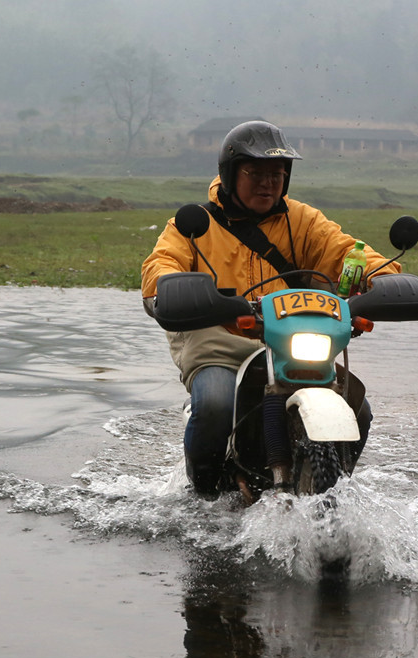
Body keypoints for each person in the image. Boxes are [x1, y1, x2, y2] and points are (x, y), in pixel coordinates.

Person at [140, 120, 400, 494]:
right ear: (230, 175)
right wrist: (170, 288)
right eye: (255, 173)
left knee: (358, 407)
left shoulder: (303, 220)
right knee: (215, 403)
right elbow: (161, 265)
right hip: (220, 344)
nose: (268, 182)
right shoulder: (193, 225)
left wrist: (382, 278)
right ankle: (205, 494)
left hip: (290, 341)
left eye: (277, 173)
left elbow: (345, 250)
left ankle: (330, 487)